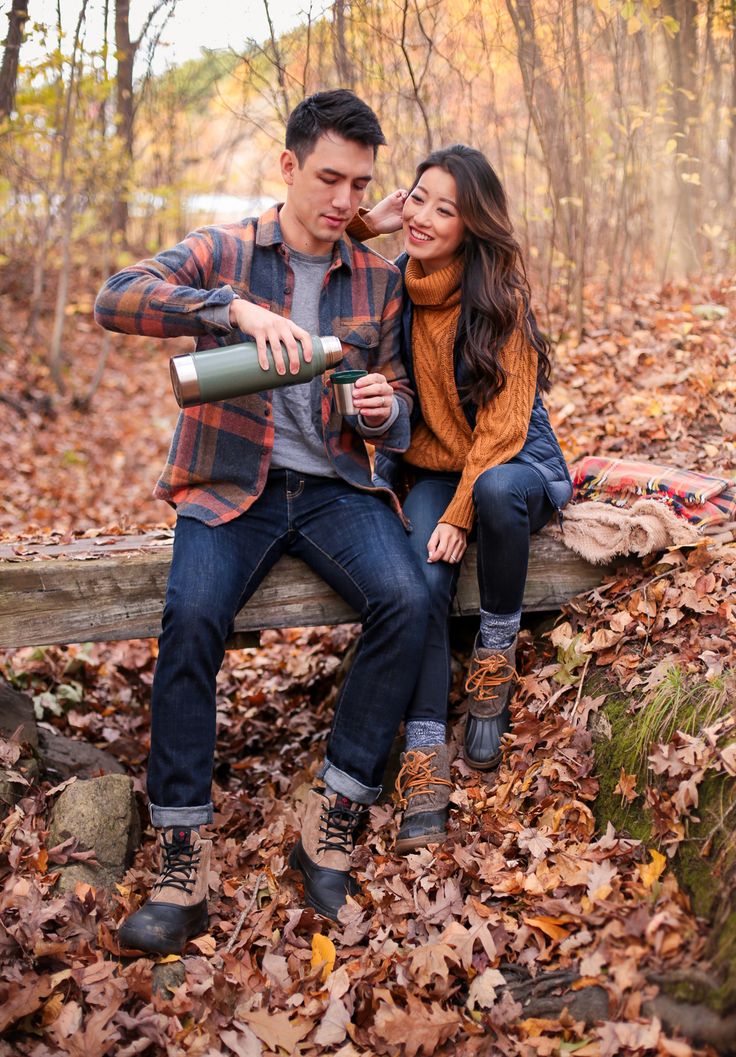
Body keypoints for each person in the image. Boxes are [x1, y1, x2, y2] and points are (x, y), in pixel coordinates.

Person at [93, 89, 431, 948]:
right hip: (229, 486)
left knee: (407, 598)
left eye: (360, 185)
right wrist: (227, 308)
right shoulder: (226, 251)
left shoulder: (380, 278)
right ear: (288, 166)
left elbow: (398, 401)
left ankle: (336, 810)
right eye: (328, 178)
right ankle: (181, 857)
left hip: (334, 492)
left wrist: (380, 410)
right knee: (192, 615)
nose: (345, 202)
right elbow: (116, 297)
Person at [350, 144, 572, 853]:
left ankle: (494, 660)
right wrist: (361, 228)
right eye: (417, 198)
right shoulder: (389, 285)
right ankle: (423, 756)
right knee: (420, 582)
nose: (424, 216)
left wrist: (458, 512)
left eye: (446, 208)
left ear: (471, 224)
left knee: (502, 492)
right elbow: (326, 276)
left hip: (511, 461)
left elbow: (504, 430)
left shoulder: (498, 297)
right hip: (431, 467)